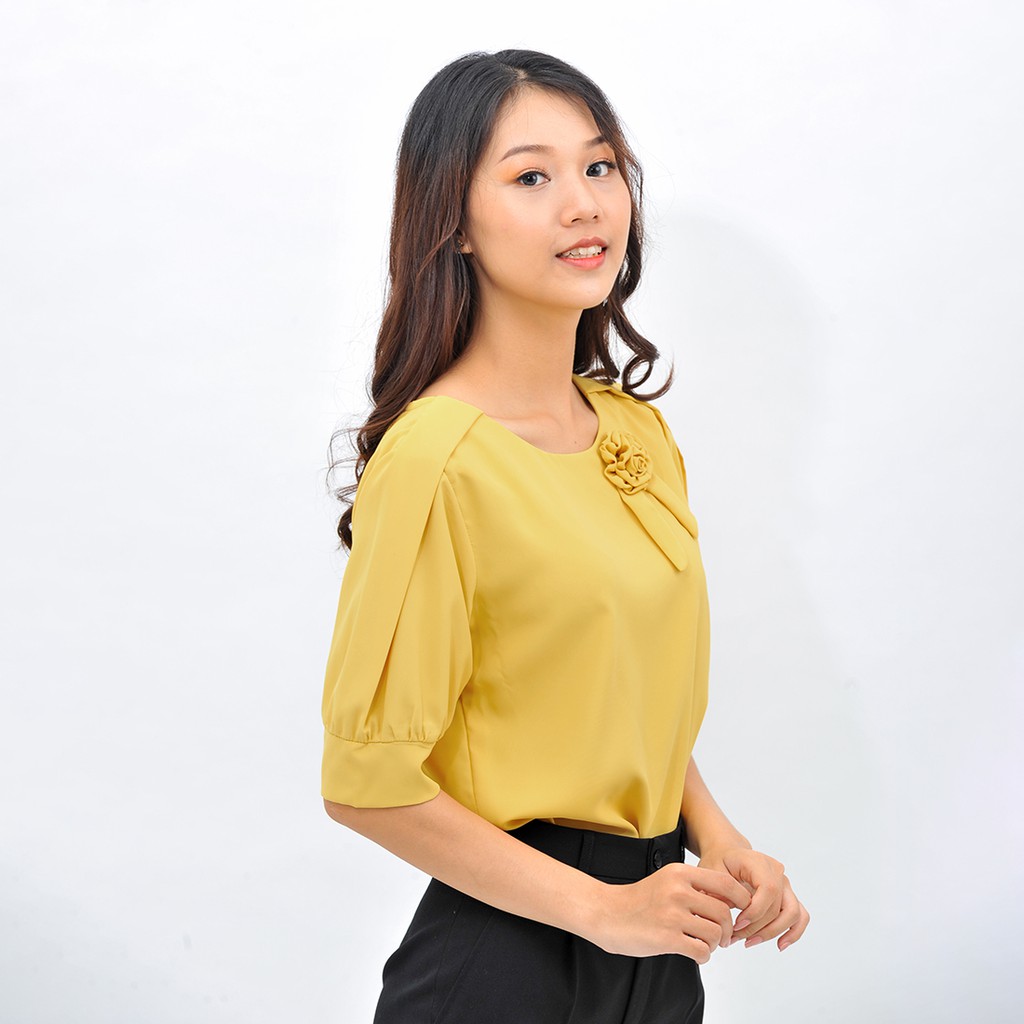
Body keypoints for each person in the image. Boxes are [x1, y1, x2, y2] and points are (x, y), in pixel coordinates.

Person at [320, 48, 809, 1024]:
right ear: (453, 223)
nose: (584, 204)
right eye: (531, 177)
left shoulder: (634, 433)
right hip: (506, 958)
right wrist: (599, 909)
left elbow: (615, 696)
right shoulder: (437, 460)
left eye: (598, 166)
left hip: (656, 936)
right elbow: (364, 785)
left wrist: (718, 838)